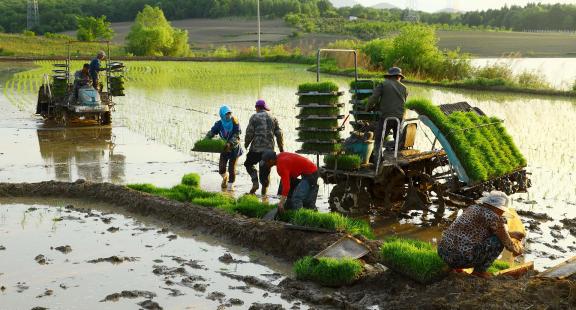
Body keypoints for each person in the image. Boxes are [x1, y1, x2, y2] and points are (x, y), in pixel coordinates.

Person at [437, 191, 525, 279]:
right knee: (498, 241)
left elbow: (479, 231)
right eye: (502, 211)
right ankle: (479, 271)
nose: (502, 213)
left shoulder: (472, 208)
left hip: (443, 253)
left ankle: (452, 267)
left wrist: (511, 234)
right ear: (499, 208)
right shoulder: (494, 217)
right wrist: (518, 250)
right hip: (461, 258)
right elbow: (508, 244)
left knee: (464, 241)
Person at [244, 99, 284, 196]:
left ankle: (255, 182)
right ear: (265, 108)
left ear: (257, 108)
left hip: (256, 150)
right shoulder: (273, 118)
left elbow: (249, 133)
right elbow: (279, 134)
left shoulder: (254, 117)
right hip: (269, 152)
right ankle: (264, 197)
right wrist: (281, 149)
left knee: (248, 164)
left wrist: (246, 143)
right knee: (265, 172)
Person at [367, 67, 408, 153]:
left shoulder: (383, 84)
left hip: (386, 116)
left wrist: (368, 107)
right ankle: (397, 156)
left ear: (389, 76)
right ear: (399, 77)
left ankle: (377, 160)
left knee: (378, 139)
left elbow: (373, 98)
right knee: (398, 140)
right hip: (400, 117)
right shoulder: (405, 88)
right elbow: (402, 103)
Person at [206, 105, 243, 190]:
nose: (228, 115)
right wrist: (206, 140)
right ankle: (225, 178)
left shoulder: (235, 122)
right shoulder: (219, 124)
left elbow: (236, 135)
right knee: (221, 168)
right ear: (222, 115)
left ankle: (230, 188)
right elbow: (212, 132)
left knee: (231, 169)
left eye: (229, 113)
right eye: (226, 114)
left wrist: (230, 143)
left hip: (234, 149)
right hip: (224, 149)